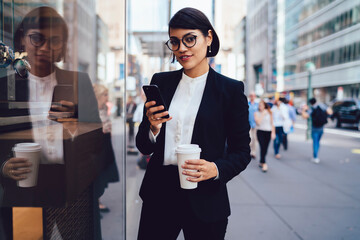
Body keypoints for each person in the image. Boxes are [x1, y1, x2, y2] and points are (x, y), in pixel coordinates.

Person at [136, 7, 250, 240]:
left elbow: (242, 152)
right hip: (160, 194)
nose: (182, 49)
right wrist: (153, 128)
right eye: (175, 42)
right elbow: (144, 146)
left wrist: (215, 169)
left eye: (190, 39)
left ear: (208, 37)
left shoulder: (230, 90)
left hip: (206, 196)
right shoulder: (161, 82)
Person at [0, 6, 102, 239]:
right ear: (22, 41)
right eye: (37, 38)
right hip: (23, 187)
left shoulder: (79, 82)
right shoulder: (5, 87)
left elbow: (98, 142)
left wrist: (77, 125)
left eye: (55, 40)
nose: (45, 47)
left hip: (70, 189)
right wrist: (3, 166)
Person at [93, 84, 119, 212]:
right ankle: (96, 202)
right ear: (98, 95)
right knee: (98, 176)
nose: (107, 97)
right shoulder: (93, 111)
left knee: (103, 175)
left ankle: (97, 200)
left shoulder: (103, 109)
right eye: (105, 94)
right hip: (97, 147)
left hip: (105, 145)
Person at [301, 97, 333, 163]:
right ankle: (316, 155)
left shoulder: (311, 109)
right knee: (318, 142)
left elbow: (305, 116)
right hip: (321, 127)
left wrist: (304, 110)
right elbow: (330, 112)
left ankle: (315, 156)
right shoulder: (322, 106)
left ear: (310, 103)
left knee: (315, 142)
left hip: (314, 128)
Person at [254, 100, 275, 172]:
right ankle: (264, 163)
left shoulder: (270, 113)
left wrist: (273, 133)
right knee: (262, 146)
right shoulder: (256, 113)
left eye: (261, 105)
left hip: (268, 132)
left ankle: (261, 160)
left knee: (265, 148)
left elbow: (272, 123)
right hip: (260, 131)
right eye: (259, 105)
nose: (260, 107)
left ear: (264, 106)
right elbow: (258, 122)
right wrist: (263, 114)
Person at [248, 91, 258, 159]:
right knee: (249, 139)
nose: (252, 97)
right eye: (251, 95)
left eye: (253, 95)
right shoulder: (247, 104)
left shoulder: (257, 105)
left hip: (256, 124)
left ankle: (253, 152)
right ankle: (249, 151)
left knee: (255, 139)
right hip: (248, 124)